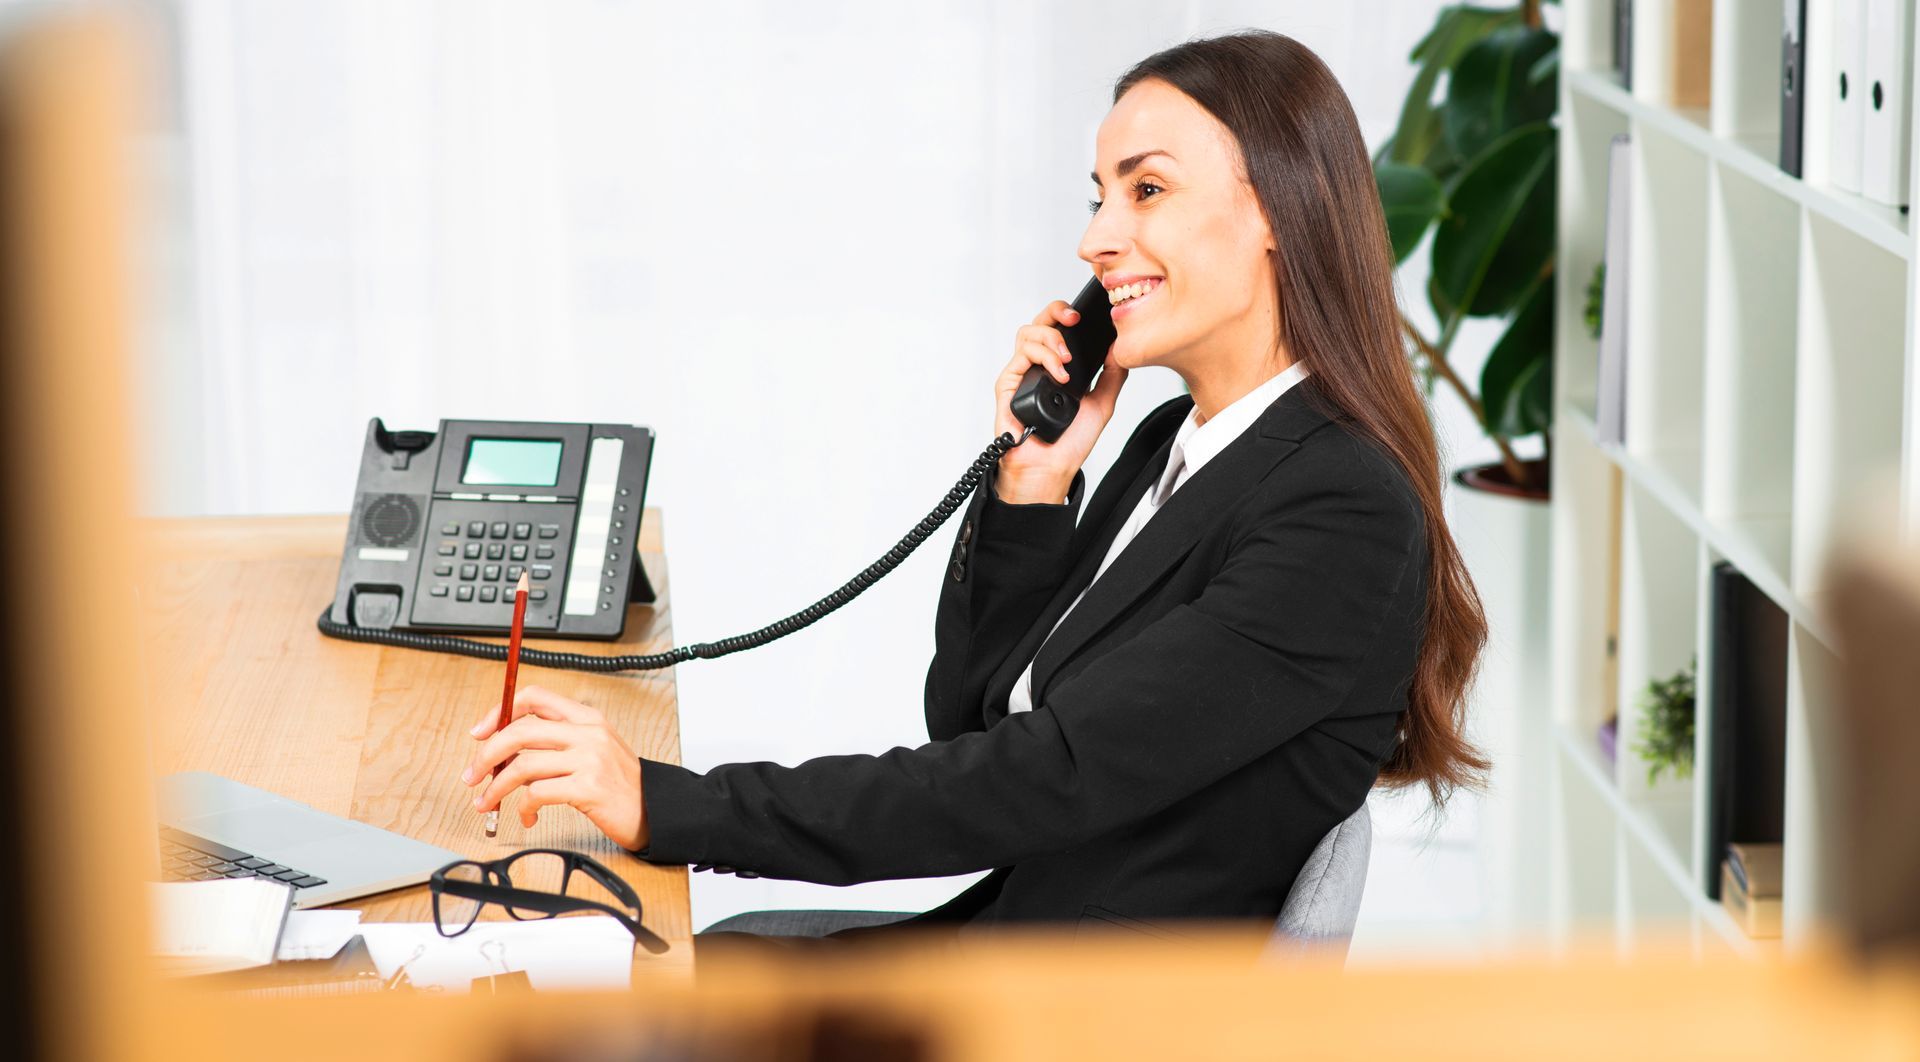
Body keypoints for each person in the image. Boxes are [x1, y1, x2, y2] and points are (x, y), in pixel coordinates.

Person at [457, 29, 1489, 945]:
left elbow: (1039, 777)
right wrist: (1033, 487)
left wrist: (670, 805)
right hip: (1015, 934)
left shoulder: (1342, 514)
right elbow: (974, 723)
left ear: (1279, 207)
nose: (1095, 239)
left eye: (1148, 190)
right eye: (1100, 197)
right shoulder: (1173, 441)